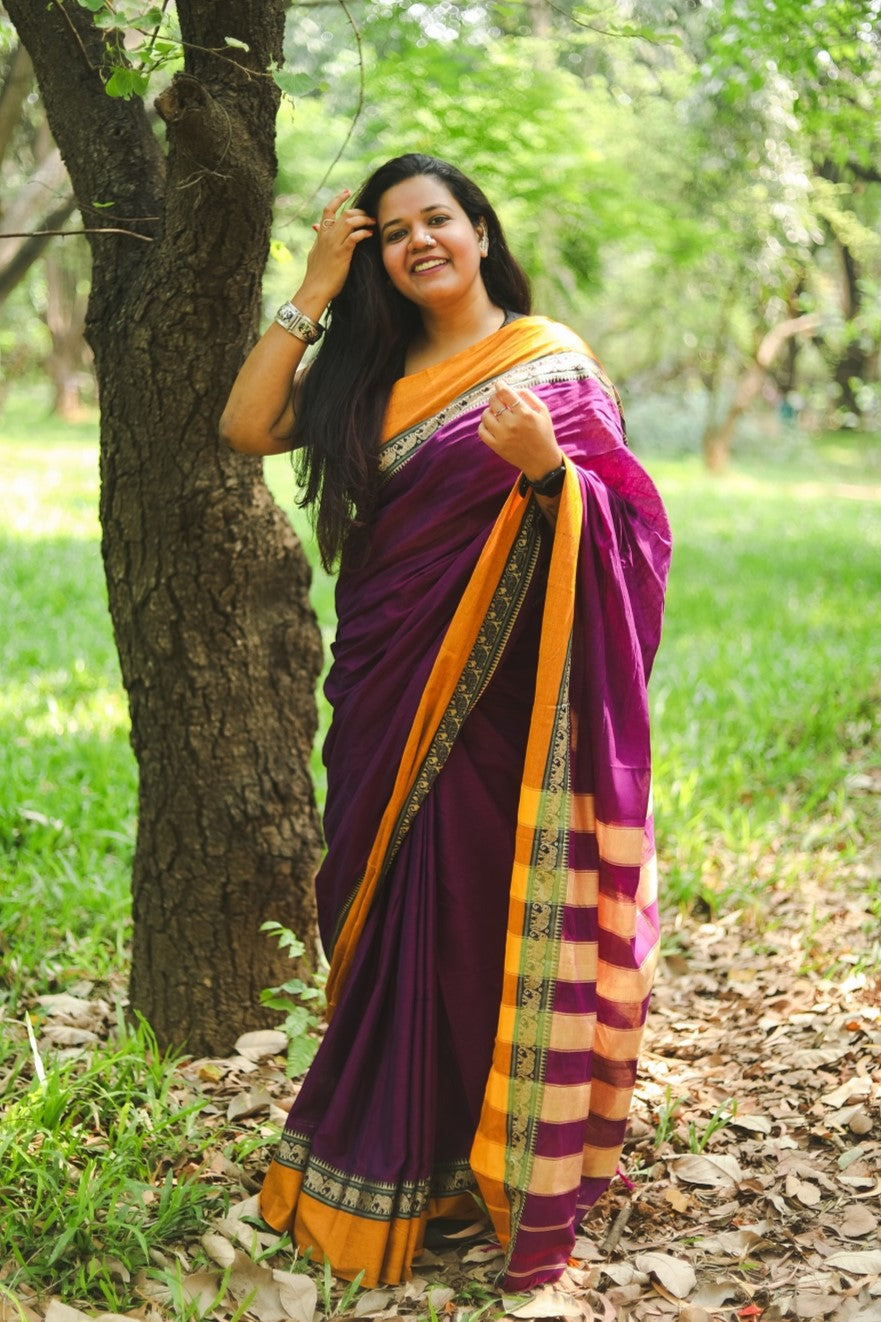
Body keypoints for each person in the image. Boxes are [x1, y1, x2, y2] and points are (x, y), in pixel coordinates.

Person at [220, 153, 671, 1293]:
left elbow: (627, 529)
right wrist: (313, 286)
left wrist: (548, 472)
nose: (422, 241)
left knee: (477, 919)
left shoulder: (551, 363)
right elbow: (244, 422)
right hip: (384, 690)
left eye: (440, 219)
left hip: (501, 709)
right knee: (377, 911)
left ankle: (482, 1164)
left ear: (478, 228)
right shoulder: (362, 377)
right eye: (395, 230)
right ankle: (401, 1158)